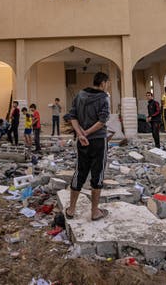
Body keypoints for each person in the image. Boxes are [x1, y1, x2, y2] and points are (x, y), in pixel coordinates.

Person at [64, 72, 110, 222]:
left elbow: (72, 116)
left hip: (82, 141)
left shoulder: (80, 95)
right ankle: (95, 212)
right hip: (98, 141)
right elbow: (102, 120)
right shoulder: (104, 97)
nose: (107, 86)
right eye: (107, 83)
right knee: (98, 173)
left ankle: (71, 210)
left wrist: (80, 134)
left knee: (80, 172)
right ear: (103, 83)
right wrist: (88, 132)